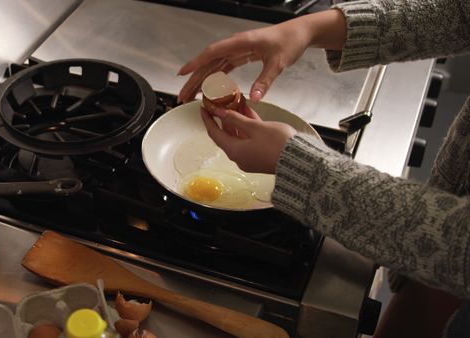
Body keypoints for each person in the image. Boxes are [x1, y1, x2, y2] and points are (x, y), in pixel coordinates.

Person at [176, 1, 470, 337]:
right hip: (438, 259)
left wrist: (300, 168)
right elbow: (462, 14)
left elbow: (462, 244)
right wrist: (309, 29)